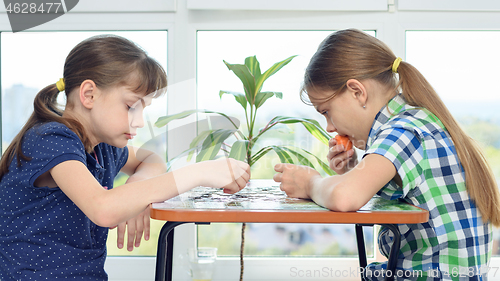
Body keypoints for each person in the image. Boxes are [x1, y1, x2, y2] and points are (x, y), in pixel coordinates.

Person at [0, 35, 250, 280]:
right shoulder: (51, 139)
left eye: (144, 109)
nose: (139, 122)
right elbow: (103, 209)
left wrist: (136, 191)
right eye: (131, 106)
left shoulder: (102, 146)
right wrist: (198, 172)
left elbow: (152, 160)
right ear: (89, 94)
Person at [274, 28, 499, 280]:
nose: (330, 127)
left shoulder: (403, 131)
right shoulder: (416, 119)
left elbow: (344, 197)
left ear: (357, 92)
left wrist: (310, 182)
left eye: (326, 111)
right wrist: (353, 170)